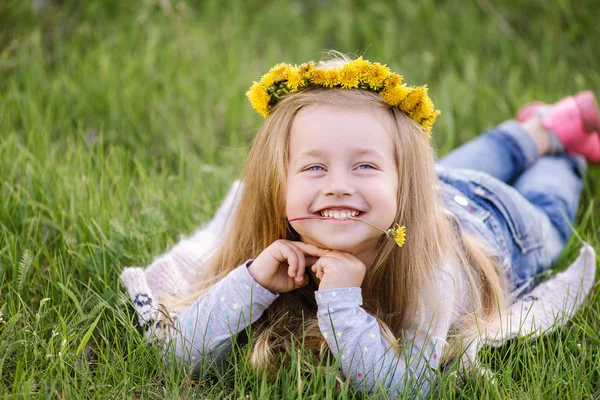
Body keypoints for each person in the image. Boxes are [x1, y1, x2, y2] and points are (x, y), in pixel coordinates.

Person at [131, 55, 598, 397]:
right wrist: (251, 281)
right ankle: (544, 126)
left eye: (363, 167)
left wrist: (340, 302)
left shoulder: (431, 272)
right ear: (279, 183)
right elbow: (176, 356)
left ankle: (560, 141)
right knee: (472, 158)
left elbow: (407, 388)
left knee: (550, 200)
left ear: (402, 182)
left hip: (498, 223)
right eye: (314, 168)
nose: (337, 186)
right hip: (433, 189)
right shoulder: (277, 251)